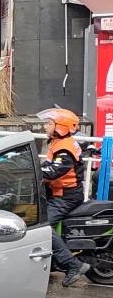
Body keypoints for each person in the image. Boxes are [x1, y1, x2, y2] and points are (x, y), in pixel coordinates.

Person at [38, 107, 90, 287]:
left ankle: (72, 265)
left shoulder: (65, 149)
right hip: (59, 193)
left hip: (66, 196)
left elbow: (53, 172)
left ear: (60, 127)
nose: (45, 126)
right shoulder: (59, 143)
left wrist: (34, 172)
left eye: (49, 123)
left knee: (42, 226)